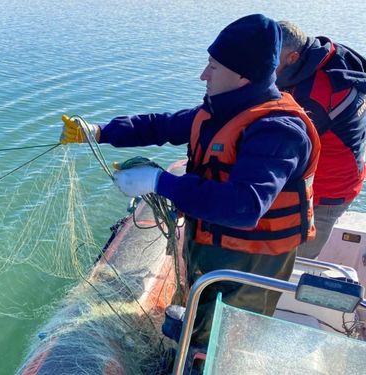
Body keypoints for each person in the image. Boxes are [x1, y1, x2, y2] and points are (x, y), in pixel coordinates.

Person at [60, 14, 321, 347]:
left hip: (249, 267)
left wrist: (159, 182)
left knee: (224, 344)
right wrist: (99, 132)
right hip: (211, 249)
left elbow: (244, 207)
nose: (203, 75)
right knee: (198, 324)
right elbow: (161, 125)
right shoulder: (224, 109)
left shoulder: (279, 131)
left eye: (213, 67)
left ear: (243, 77)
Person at [276, 21, 366, 259]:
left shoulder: (312, 99)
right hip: (349, 167)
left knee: (293, 261)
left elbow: (281, 152)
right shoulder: (334, 56)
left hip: (328, 191)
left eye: (271, 58)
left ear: (294, 57)